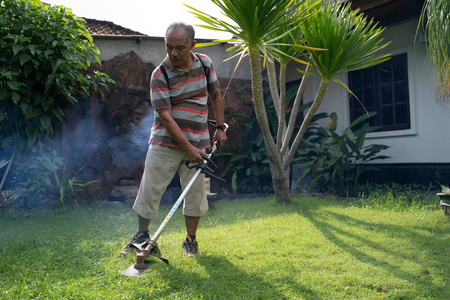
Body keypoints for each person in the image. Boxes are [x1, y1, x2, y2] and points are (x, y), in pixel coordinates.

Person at [121, 22, 227, 257]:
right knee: (150, 189)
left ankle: (190, 241)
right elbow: (166, 118)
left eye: (180, 48)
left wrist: (219, 128)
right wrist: (187, 147)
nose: (173, 53)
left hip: (199, 143)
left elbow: (216, 94)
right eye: (169, 47)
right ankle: (141, 236)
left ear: (193, 45)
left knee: (196, 194)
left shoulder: (205, 63)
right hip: (164, 143)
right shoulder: (160, 74)